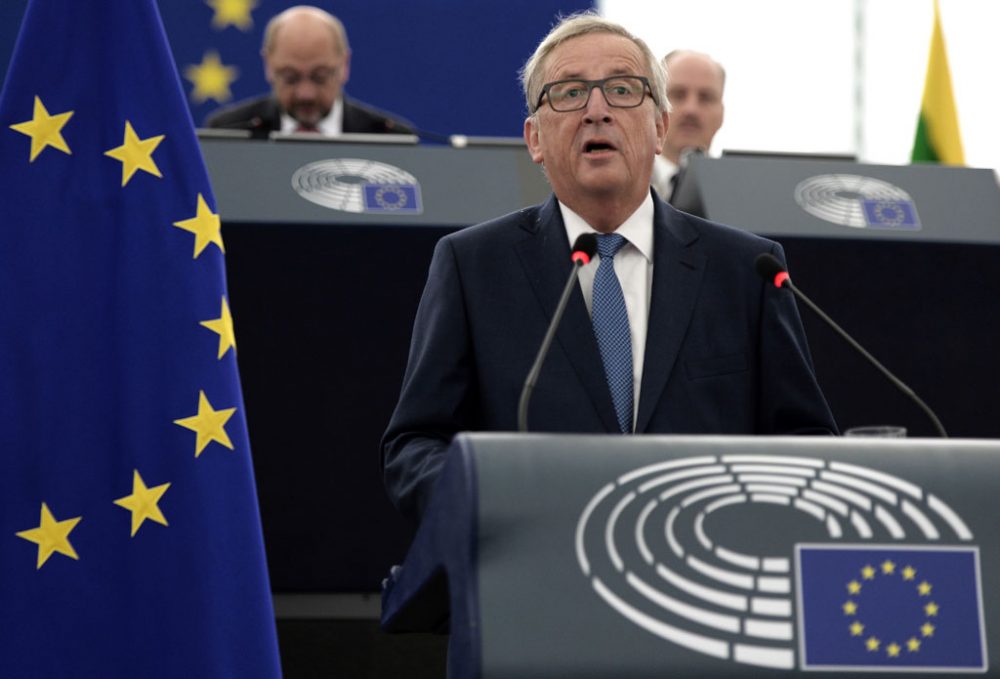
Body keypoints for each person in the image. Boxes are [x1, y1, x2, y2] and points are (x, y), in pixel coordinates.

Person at [382, 13, 836, 521]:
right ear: (534, 139)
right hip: (534, 574)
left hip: (708, 573)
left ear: (660, 127)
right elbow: (416, 447)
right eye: (570, 93)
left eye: (622, 90)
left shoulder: (746, 270)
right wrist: (492, 505)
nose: (597, 110)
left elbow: (807, 443)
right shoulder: (473, 267)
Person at [204, 6, 413, 138]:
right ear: (268, 65)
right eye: (290, 77)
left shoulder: (389, 137)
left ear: (345, 65)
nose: (306, 93)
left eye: (320, 77)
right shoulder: (228, 132)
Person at [651, 50, 726, 203]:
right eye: (678, 95)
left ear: (721, 114)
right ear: (654, 106)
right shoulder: (621, 187)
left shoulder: (739, 197)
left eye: (706, 97)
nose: (691, 109)